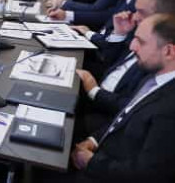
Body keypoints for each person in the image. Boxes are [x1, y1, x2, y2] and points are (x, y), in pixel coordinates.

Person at [66, 13, 175, 182]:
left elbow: (147, 174)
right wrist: (93, 140)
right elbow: (124, 117)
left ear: (168, 51)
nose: (132, 46)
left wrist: (92, 162)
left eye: (141, 42)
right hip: (101, 152)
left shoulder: (169, 109)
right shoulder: (154, 76)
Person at [75, 0, 175, 130]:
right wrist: (119, 34)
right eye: (135, 10)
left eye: (141, 12)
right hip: (98, 93)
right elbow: (106, 61)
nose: (134, 16)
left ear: (163, 17)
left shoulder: (159, 55)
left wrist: (94, 90)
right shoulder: (136, 31)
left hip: (108, 116)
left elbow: (134, 106)